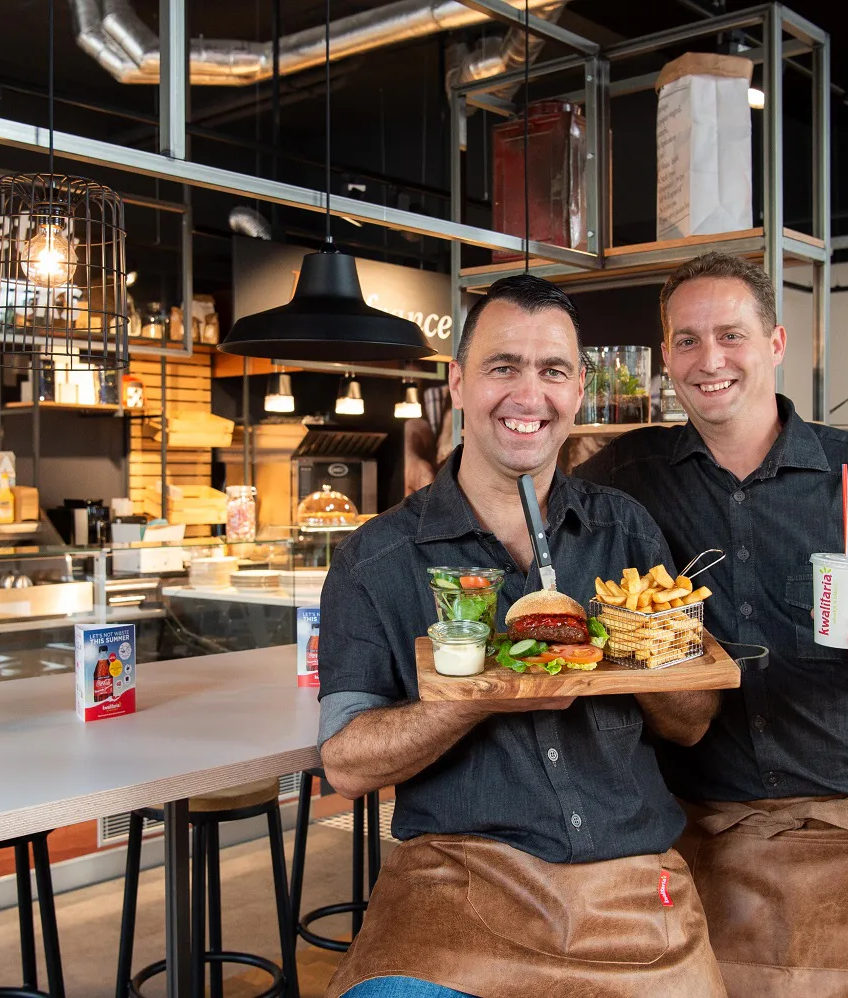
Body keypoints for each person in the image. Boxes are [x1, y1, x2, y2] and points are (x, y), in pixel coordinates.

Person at [575, 252, 848, 998]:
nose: (710, 361)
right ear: (666, 356)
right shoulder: (621, 479)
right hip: (712, 839)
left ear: (776, 343)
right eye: (687, 340)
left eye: (731, 335)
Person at [317, 274, 727, 998]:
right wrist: (478, 695)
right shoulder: (376, 558)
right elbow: (346, 763)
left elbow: (693, 726)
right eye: (503, 366)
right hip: (455, 886)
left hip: (630, 886)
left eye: (552, 370)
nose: (528, 395)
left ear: (577, 388)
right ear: (459, 383)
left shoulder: (625, 531)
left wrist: (631, 646)